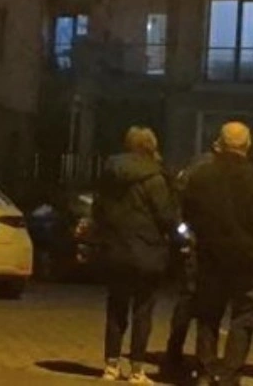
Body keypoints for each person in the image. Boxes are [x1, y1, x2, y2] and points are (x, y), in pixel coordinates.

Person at [182, 121, 253, 386]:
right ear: (248, 145)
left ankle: (206, 370)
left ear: (220, 143)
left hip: (211, 256)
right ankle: (230, 372)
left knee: (208, 314)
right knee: (244, 316)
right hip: (250, 259)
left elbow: (188, 213)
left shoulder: (202, 176)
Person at [92, 126, 178, 383]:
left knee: (116, 307)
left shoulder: (111, 173)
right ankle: (137, 369)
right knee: (143, 310)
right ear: (152, 146)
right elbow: (166, 216)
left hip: (116, 249)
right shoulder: (155, 178)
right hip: (147, 251)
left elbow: (99, 209)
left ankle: (111, 365)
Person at [162, 138, 222, 378]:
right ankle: (200, 358)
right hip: (203, 243)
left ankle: (177, 351)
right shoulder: (205, 169)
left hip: (197, 241)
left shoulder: (196, 168)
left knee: (189, 299)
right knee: (200, 300)